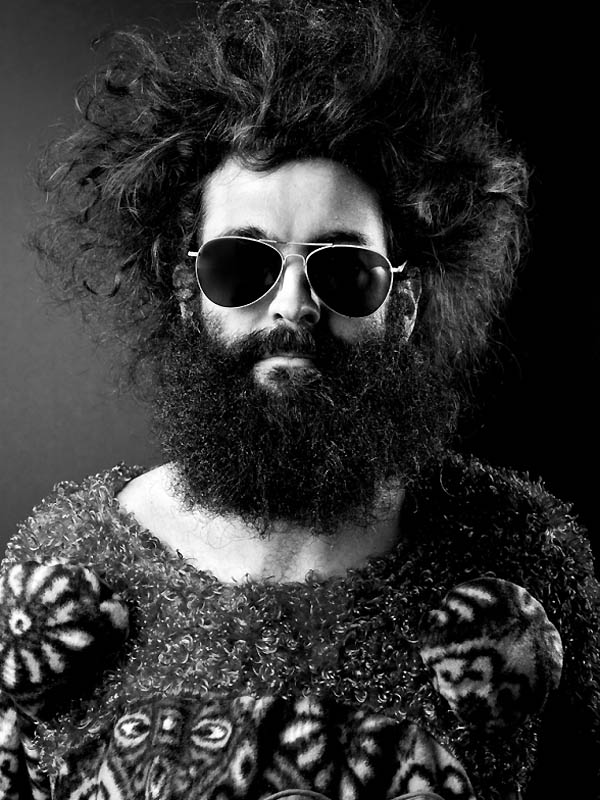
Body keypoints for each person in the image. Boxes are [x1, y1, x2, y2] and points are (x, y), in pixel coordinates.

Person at [0, 1, 597, 798]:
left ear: (402, 304)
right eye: (241, 266)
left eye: (342, 271)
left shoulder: (523, 553)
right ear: (186, 291)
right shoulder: (65, 570)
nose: (291, 307)